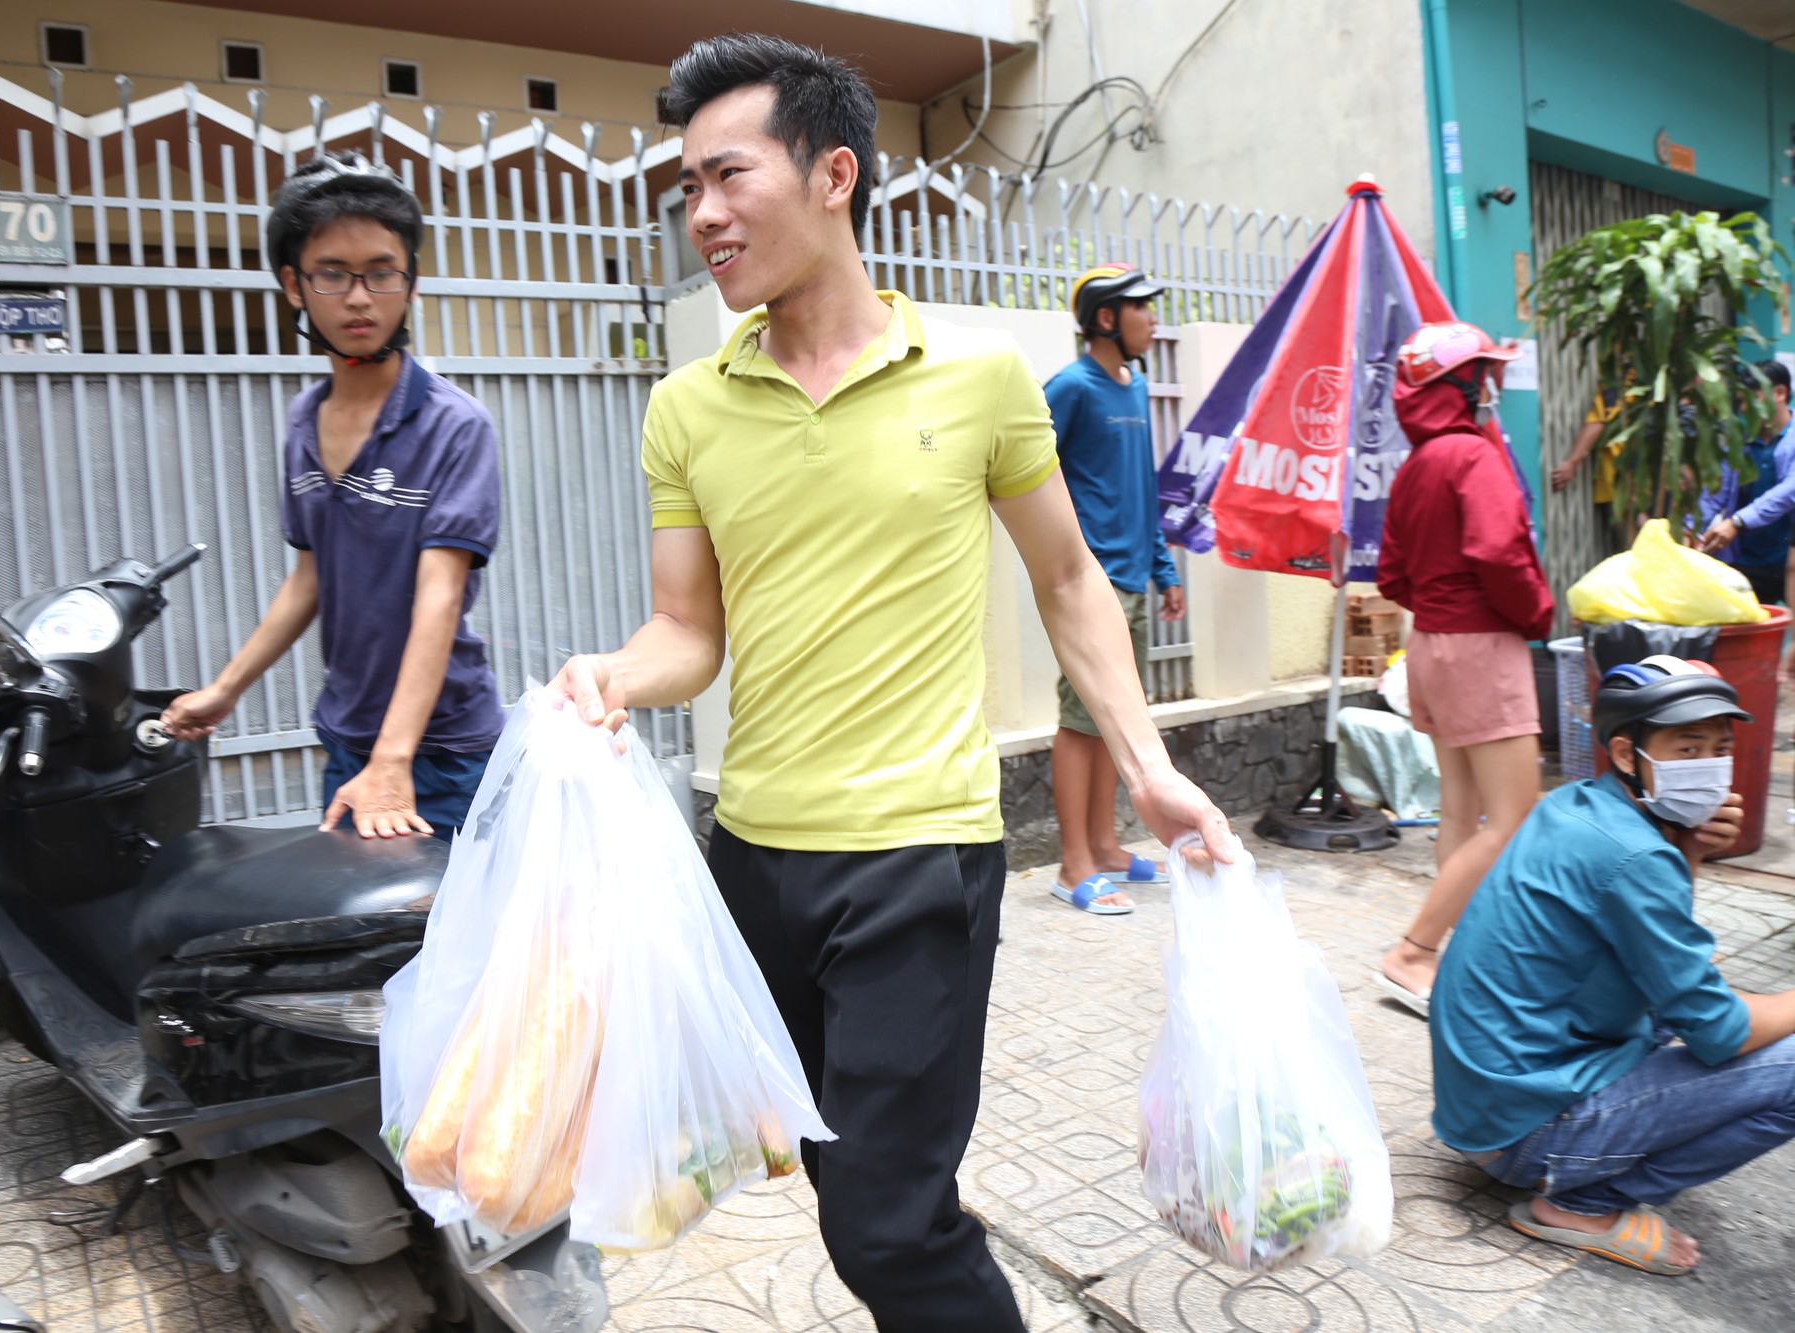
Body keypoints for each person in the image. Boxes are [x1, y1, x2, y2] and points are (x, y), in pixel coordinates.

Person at [545, 33, 1235, 1330]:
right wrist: (615, 676)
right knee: (827, 1165)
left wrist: (1150, 768)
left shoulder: (975, 381)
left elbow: (1072, 582)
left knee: (888, 1222)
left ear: (833, 175)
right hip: (753, 858)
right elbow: (688, 630)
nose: (699, 212)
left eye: (726, 175)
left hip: (919, 858)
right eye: (684, 185)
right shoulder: (689, 407)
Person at [162, 152, 504, 843]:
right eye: (332, 274)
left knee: (455, 946)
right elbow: (311, 577)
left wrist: (392, 760)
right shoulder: (302, 422)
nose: (358, 298)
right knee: (361, 949)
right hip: (349, 739)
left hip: (443, 751)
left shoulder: (453, 424)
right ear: (294, 284)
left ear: (410, 281)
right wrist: (226, 689)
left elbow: (439, 598)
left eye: (382, 272)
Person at [1431, 656, 1795, 1276]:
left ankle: (1587, 1156)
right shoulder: (1634, 854)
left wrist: (1691, 851)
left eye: (1719, 747)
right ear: (1628, 755)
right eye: (1686, 747)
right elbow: (1719, 1029)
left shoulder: (1578, 805)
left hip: (1484, 1109)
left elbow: (1656, 950)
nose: (1708, 765)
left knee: (1699, 1003)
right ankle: (1587, 1203)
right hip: (1525, 1133)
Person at [1374, 321, 1554, 1013]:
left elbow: (1393, 573)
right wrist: (1537, 615)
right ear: (1459, 384)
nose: (1492, 385)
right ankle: (1413, 952)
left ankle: (1461, 956)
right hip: (1482, 647)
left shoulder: (1417, 465)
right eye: (1483, 372)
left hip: (1432, 647)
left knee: (1460, 809)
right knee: (1511, 818)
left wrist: (1442, 605)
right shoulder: (1474, 458)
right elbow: (1501, 553)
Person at [1044, 264, 1186, 914]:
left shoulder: (1137, 385)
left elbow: (1144, 488)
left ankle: (1103, 845)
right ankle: (1072, 862)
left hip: (1133, 578)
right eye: (1141, 308)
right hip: (1089, 584)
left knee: (1113, 720)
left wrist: (1165, 568)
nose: (1153, 318)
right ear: (1106, 318)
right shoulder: (1071, 388)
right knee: (1080, 721)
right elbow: (1027, 471)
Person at [1695, 359, 1795, 607]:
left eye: (1750, 400)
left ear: (1780, 393)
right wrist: (1691, 530)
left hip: (1788, 562)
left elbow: (1788, 492)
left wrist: (1738, 522)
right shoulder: (1741, 443)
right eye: (1740, 402)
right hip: (1746, 562)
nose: (1743, 409)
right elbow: (1714, 493)